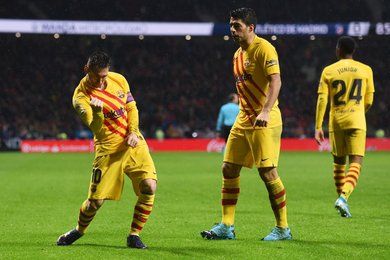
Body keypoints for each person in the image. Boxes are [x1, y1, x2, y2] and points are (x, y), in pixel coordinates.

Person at [201, 7, 292, 241]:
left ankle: (283, 228)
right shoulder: (237, 55)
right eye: (231, 25)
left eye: (237, 26)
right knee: (228, 167)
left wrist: (265, 110)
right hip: (244, 118)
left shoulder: (264, 49)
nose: (232, 30)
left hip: (265, 119)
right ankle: (227, 225)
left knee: (268, 172)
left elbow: (276, 80)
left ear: (251, 27)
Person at [57, 51, 157, 249]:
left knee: (149, 187)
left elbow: (131, 108)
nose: (101, 81)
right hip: (108, 150)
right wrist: (97, 112)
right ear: (87, 70)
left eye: (104, 75)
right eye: (97, 76)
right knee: (95, 203)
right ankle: (79, 230)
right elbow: (95, 127)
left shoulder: (118, 79)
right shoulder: (81, 97)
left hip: (133, 142)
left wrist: (134, 131)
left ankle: (134, 235)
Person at [315, 36, 374, 218]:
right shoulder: (365, 69)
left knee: (339, 163)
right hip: (356, 119)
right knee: (356, 162)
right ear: (353, 51)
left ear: (338, 49)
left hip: (336, 121)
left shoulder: (329, 70)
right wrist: (358, 111)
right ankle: (343, 198)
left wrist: (318, 126)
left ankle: (341, 199)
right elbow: (369, 100)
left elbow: (322, 99)